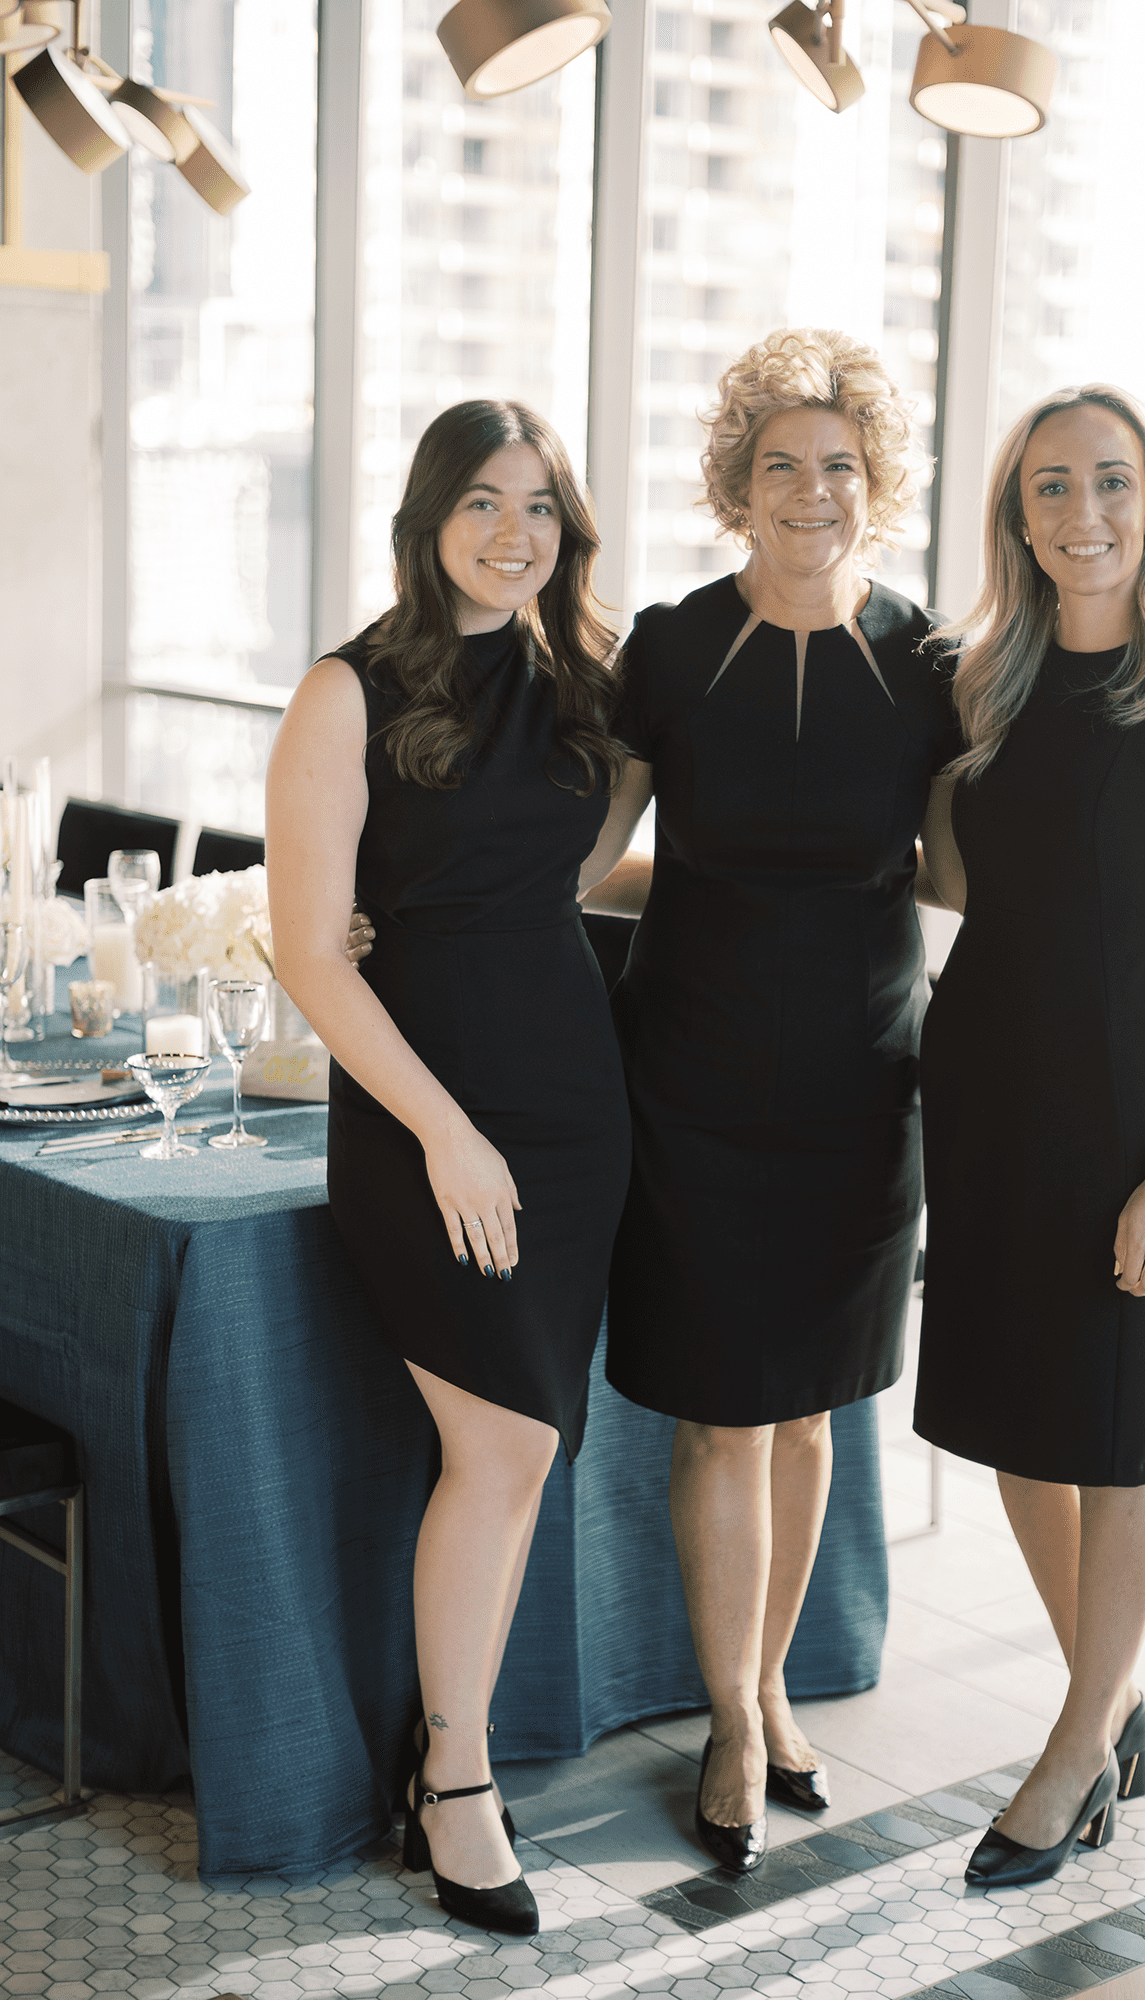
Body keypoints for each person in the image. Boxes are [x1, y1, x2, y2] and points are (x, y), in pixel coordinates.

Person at [578, 333, 1145, 1873]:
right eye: (778, 463)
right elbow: (587, 860)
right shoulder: (666, 648)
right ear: (736, 482)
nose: (810, 489)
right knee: (724, 1415)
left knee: (813, 1413)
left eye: (838, 464)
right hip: (694, 1078)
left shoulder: (933, 667)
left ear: (878, 486)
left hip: (867, 1082)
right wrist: (398, 910)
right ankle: (732, 1716)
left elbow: (964, 872)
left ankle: (780, 1689)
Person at [265, 400, 633, 1934]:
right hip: (433, 1124)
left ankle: (452, 1750)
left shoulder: (580, 690)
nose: (511, 534)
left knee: (527, 1445)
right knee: (505, 1451)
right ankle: (457, 1780)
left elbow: (585, 868)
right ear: (427, 518)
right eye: (481, 503)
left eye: (538, 506)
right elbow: (308, 953)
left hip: (572, 1110)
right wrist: (447, 1131)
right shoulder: (343, 693)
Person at [915, 384, 1145, 1890]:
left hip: (1124, 1113)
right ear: (1018, 514)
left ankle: (1072, 1753)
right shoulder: (980, 686)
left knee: (1114, 1444)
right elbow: (953, 882)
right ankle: (1111, 1694)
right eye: (1053, 485)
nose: (1085, 513)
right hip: (986, 1096)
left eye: (1112, 482)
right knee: (1017, 1428)